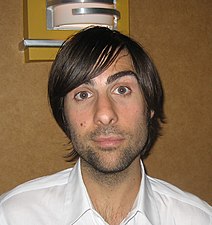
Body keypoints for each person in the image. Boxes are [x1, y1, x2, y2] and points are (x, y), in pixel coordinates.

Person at [0, 26, 211, 225]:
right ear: (64, 115)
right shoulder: (12, 216)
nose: (104, 114)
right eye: (83, 94)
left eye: (122, 90)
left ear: (150, 106)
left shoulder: (198, 219)